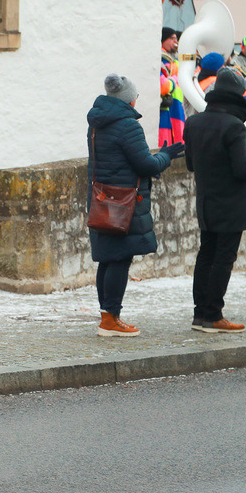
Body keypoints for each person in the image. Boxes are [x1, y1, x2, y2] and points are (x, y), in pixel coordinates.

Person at [87, 73, 184, 337]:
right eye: (136, 97)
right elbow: (146, 164)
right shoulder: (128, 125)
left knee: (107, 258)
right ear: (129, 99)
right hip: (123, 203)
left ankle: (107, 316)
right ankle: (111, 319)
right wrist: (166, 155)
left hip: (101, 199)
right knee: (120, 258)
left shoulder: (97, 122)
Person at [183, 69, 246, 333]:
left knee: (206, 255)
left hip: (206, 201)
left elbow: (190, 164)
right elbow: (243, 169)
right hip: (232, 203)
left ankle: (200, 314)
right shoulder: (233, 125)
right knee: (223, 258)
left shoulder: (194, 122)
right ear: (237, 94)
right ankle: (213, 315)